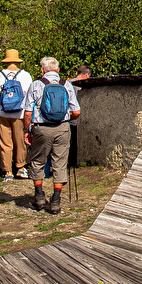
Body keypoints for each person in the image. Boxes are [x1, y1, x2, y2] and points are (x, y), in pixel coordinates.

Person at [25, 57, 81, 214]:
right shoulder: (66, 85)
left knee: (37, 161)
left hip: (41, 128)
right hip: (62, 128)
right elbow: (76, 111)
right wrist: (68, 119)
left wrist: (26, 130)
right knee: (60, 162)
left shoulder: (36, 85)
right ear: (57, 70)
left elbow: (28, 112)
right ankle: (55, 200)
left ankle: (39, 196)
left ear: (42, 70)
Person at [0, 49, 33, 181]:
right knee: (20, 141)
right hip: (19, 113)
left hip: (3, 113)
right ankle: (20, 168)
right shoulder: (25, 76)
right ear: (17, 61)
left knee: (5, 143)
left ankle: (8, 172)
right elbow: (29, 97)